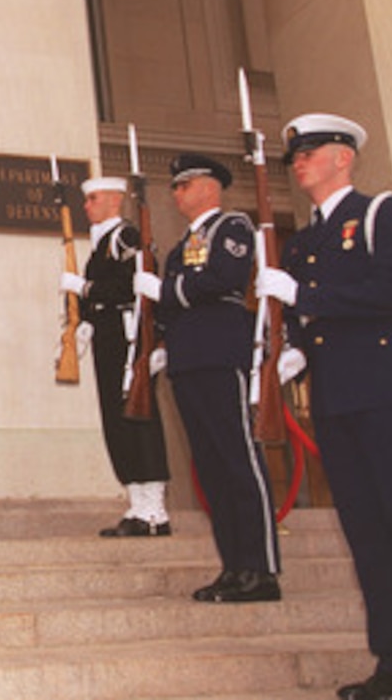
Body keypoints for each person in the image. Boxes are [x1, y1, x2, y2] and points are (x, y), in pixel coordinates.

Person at [255, 113, 392, 700]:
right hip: (335, 402)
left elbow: (389, 290)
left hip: (385, 394)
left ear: (344, 156)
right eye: (295, 156)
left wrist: (306, 297)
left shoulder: (379, 214)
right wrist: (290, 353)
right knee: (367, 537)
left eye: (311, 152)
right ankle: (391, 663)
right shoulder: (306, 239)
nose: (299, 163)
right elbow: (310, 324)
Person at [133, 154, 281, 603]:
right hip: (188, 361)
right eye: (175, 186)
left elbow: (223, 278)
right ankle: (234, 566)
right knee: (212, 469)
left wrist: (166, 292)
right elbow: (178, 304)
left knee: (240, 460)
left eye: (184, 185)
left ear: (209, 187)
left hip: (220, 355)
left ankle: (262, 568)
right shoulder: (182, 246)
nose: (176, 193)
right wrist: (157, 341)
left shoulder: (231, 227)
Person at [59, 176, 171, 537]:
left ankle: (155, 509)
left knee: (138, 417)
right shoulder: (100, 244)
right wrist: (86, 321)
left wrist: (85, 288)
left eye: (93, 199)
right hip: (109, 337)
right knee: (116, 419)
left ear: (114, 200)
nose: (86, 206)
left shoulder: (125, 237)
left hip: (128, 336)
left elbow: (134, 285)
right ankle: (138, 506)